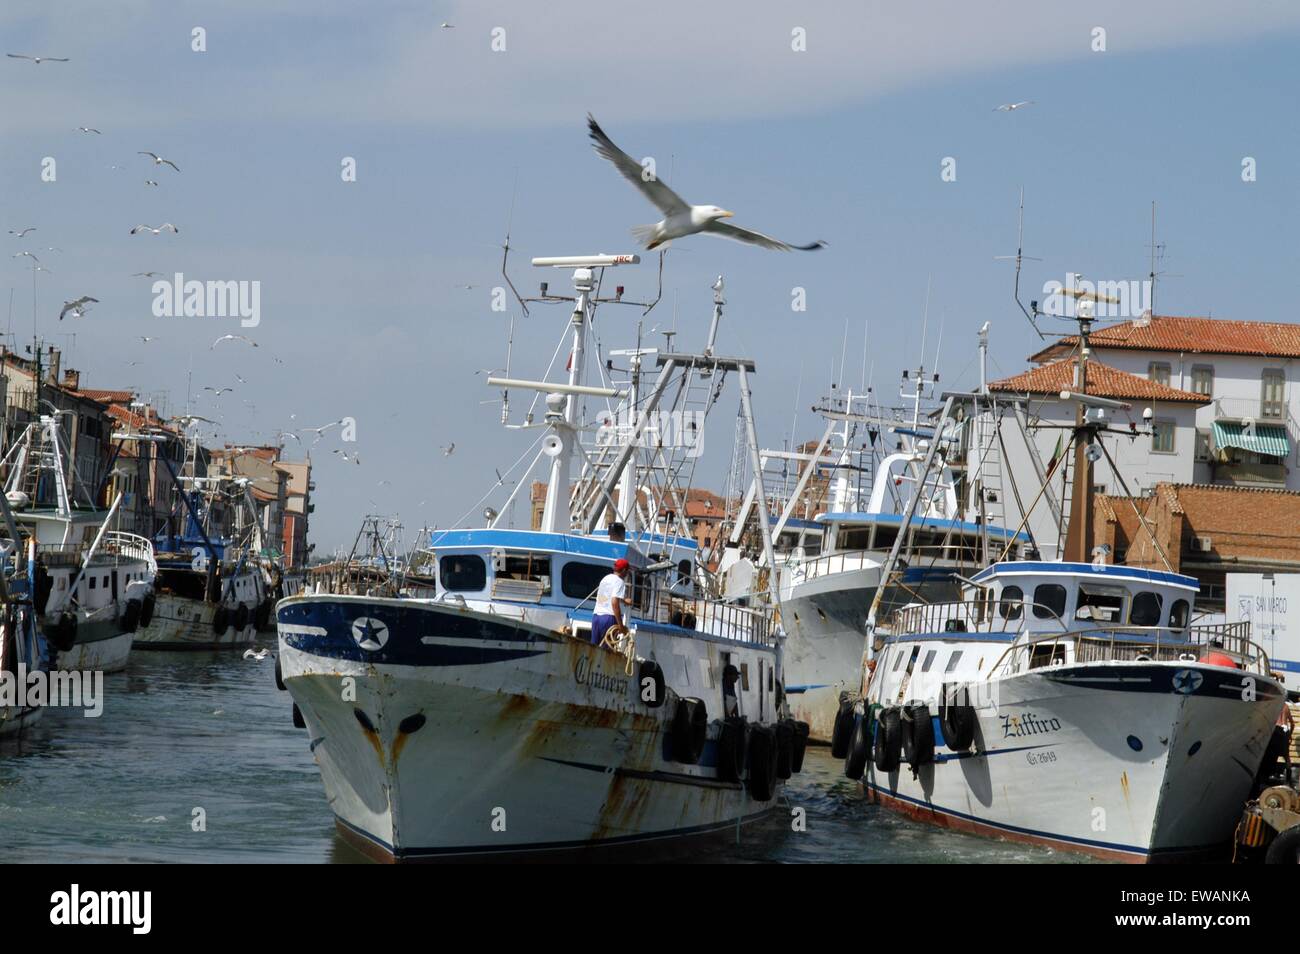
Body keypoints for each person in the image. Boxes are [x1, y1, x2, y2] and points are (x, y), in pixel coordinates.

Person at [591, 558, 630, 646]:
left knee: (594, 647)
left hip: (597, 616)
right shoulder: (620, 582)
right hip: (609, 618)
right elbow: (614, 602)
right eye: (627, 571)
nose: (627, 573)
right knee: (606, 650)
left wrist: (623, 600)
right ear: (624, 570)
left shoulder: (605, 578)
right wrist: (621, 625)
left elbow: (603, 597)